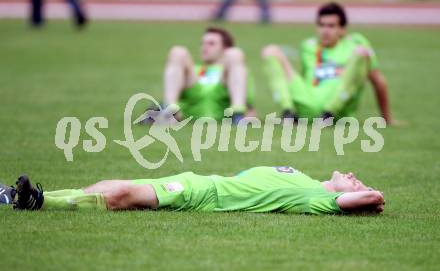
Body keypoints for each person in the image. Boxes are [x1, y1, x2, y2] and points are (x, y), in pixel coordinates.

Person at [5, 166, 385, 215]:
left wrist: (374, 196)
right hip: (202, 180)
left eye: (359, 179)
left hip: (205, 195)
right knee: (111, 185)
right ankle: (19, 196)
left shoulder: (315, 199)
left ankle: (36, 202)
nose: (354, 175)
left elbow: (364, 199)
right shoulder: (306, 180)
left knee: (122, 197)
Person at [261, 2, 394, 124]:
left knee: (361, 53)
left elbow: (378, 81)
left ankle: (328, 113)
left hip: (339, 111)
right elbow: (304, 78)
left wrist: (387, 119)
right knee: (270, 51)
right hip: (309, 104)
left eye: (331, 26)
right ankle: (288, 114)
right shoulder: (308, 46)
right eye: (321, 25)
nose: (325, 30)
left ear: (342, 29)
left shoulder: (356, 43)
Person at [153, 27, 255, 124]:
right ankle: (169, 111)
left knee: (235, 53)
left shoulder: (236, 69)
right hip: (194, 92)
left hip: (223, 99)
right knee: (178, 52)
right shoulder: (193, 69)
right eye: (202, 43)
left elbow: (249, 103)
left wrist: (248, 110)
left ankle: (237, 113)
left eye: (211, 44)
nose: (204, 47)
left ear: (225, 49)